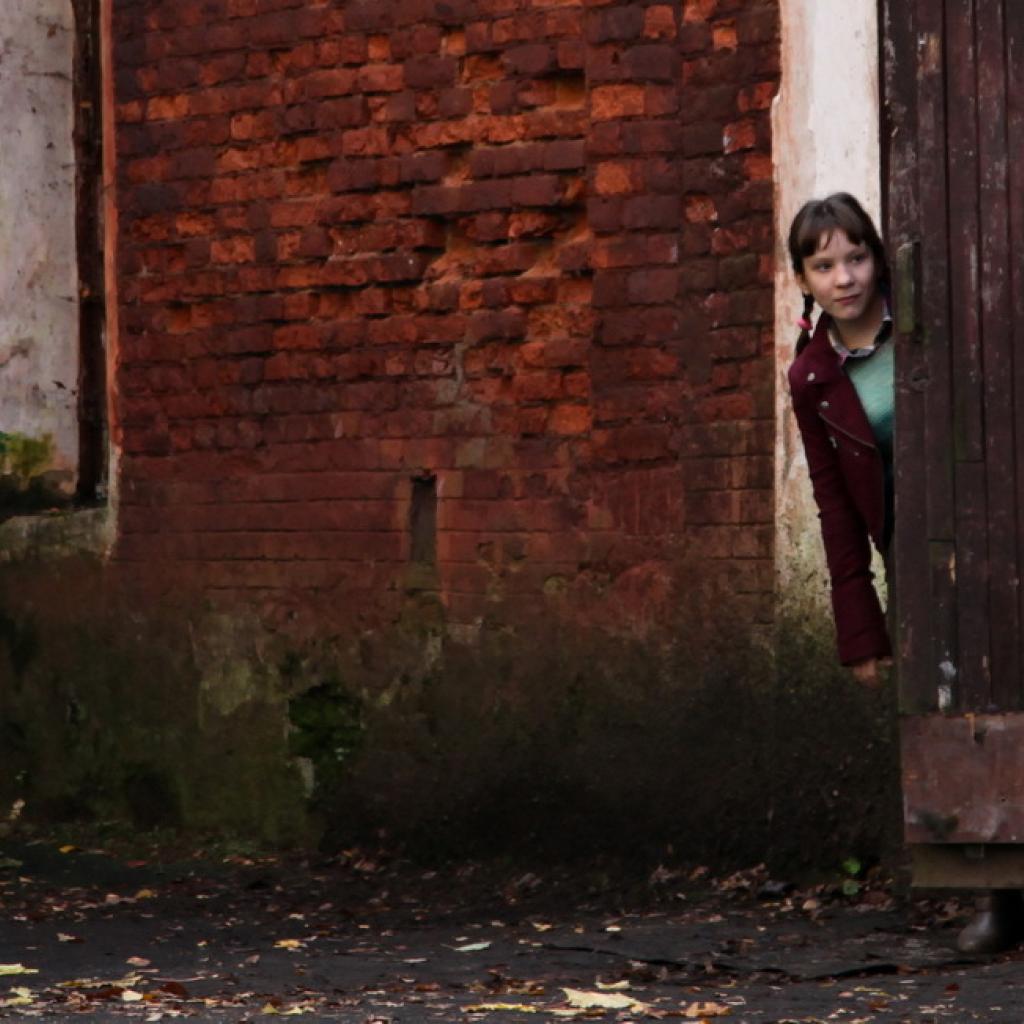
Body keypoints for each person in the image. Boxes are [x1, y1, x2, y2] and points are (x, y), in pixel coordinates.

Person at [786, 193, 1023, 953]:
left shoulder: (924, 326)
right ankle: (998, 895)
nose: (844, 277)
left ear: (879, 258)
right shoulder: (812, 376)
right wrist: (861, 628)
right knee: (956, 703)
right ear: (803, 279)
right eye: (824, 265)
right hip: (916, 554)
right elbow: (833, 504)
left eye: (856, 257)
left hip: (995, 519)